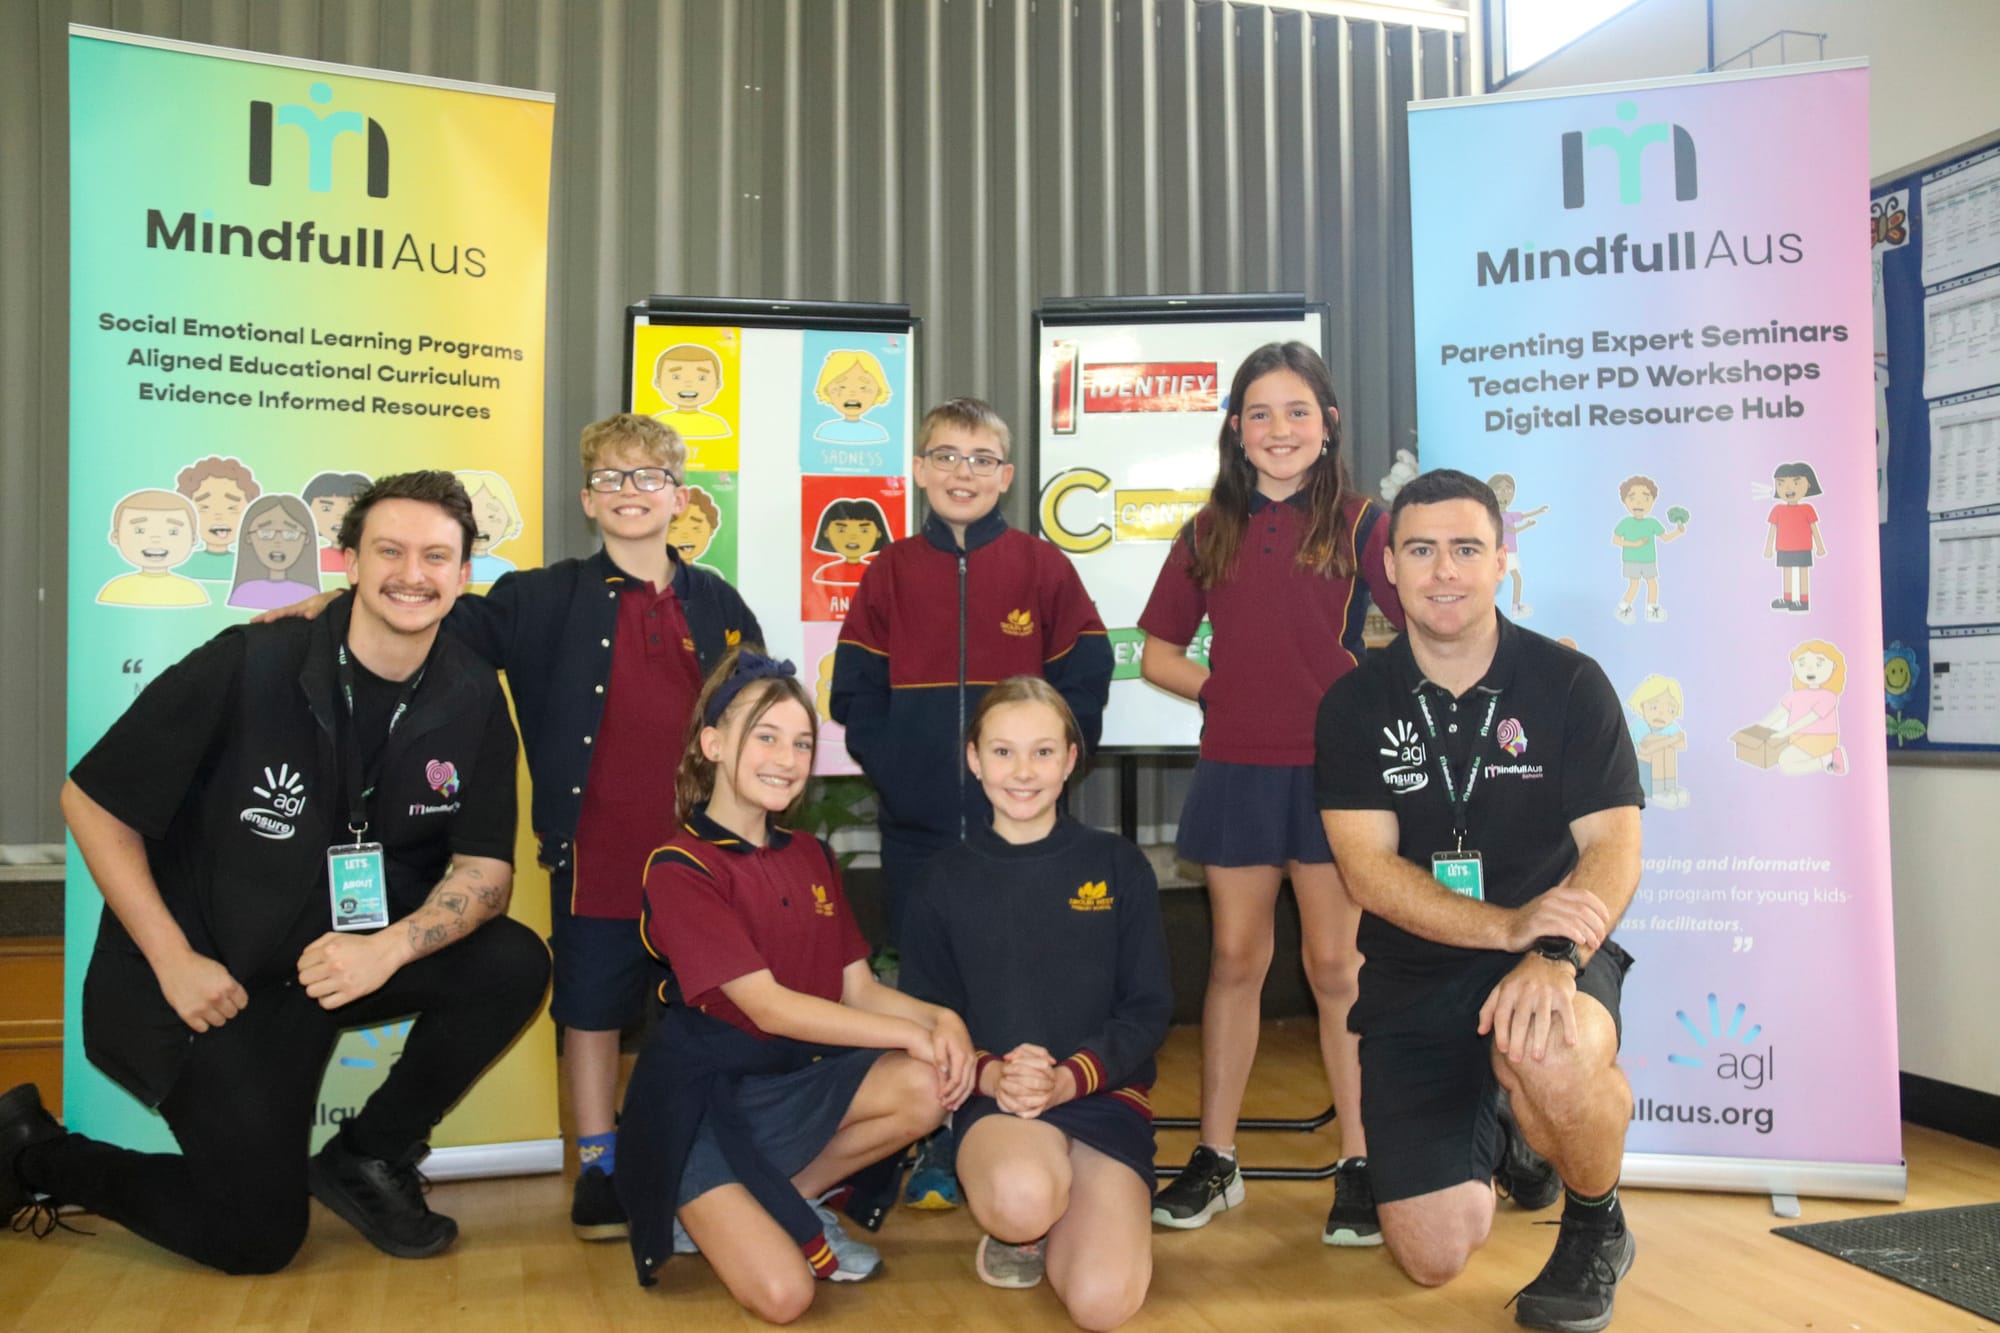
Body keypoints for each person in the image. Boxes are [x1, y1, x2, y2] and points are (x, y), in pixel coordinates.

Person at [0, 471, 551, 1274]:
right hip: (215, 983)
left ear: (463, 576)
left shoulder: (473, 697)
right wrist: (173, 961)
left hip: (342, 966)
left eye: (437, 556)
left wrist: (389, 948)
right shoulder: (252, 663)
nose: (412, 573)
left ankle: (368, 1156)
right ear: (348, 560)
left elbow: (485, 872)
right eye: (389, 550)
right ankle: (36, 1154)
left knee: (514, 960)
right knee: (255, 1239)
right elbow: (90, 800)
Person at [258, 413, 763, 1243]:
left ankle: (683, 1150)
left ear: (680, 497)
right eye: (610, 479)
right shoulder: (539, 595)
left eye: (647, 478)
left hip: (701, 859)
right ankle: (598, 1164)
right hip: (597, 850)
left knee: (701, 1007)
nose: (628, 493)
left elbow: (749, 717)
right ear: (586, 499)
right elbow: (426, 614)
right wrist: (332, 603)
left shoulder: (723, 604)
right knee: (594, 1012)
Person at [1314, 468, 1644, 1332]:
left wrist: (1552, 952)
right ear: (1390, 565)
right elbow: (1367, 872)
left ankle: (1594, 1223)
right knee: (1432, 1254)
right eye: (1421, 550)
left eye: (1466, 548)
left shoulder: (1571, 685)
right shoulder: (1354, 703)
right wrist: (1505, 923)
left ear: (1502, 559)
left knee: (1550, 1048)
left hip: (1553, 960)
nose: (1444, 570)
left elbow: (1613, 845)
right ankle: (1515, 1130)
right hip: (1416, 974)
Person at [1137, 340, 1403, 1244]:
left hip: (1339, 782)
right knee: (1233, 963)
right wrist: (1226, 690)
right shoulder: (1207, 528)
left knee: (1337, 969)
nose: (1278, 428)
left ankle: (1362, 1161)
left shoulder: (1369, 524)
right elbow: (1156, 652)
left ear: (1328, 424)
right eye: (1259, 412)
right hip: (1237, 770)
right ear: (1236, 431)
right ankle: (1216, 1160)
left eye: (1296, 411)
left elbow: (1421, 633)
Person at [615, 650, 972, 1321]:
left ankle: (782, 1199)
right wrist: (911, 1032)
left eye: (802, 741)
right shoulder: (680, 864)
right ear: (713, 744)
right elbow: (769, 1007)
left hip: (789, 1087)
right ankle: (704, 1204)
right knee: (786, 1296)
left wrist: (939, 1018)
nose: (787, 756)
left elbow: (857, 989)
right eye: (766, 735)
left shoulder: (810, 854)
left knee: (928, 1084)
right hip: (701, 1106)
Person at [831, 396, 1112, 1210]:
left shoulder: (1042, 565)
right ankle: (934, 1143)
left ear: (1007, 475)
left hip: (1027, 834)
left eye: (981, 458)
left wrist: (1049, 770)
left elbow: (1086, 679)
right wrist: (900, 769)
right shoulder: (887, 572)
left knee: (1024, 977)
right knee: (930, 988)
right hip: (920, 832)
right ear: (918, 471)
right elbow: (855, 693)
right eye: (946, 456)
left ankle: (1038, 1118)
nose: (963, 472)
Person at [900, 677, 1170, 1330]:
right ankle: (1024, 1224)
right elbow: (928, 1015)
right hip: (1001, 1099)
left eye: (1043, 752)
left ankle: (1082, 1203)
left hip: (1101, 1097)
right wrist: (998, 1075)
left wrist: (1068, 1077)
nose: (1023, 772)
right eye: (1003, 751)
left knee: (1103, 1305)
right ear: (974, 757)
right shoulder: (941, 880)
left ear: (1072, 759)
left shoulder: (1118, 865)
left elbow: (1147, 1008)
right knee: (1021, 1197)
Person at [225, 494, 321, 611]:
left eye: (290, 534)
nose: (278, 541)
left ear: (306, 539)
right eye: (266, 533)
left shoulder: (310, 595)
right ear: (248, 538)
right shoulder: (244, 592)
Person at [1763, 461, 1826, 612]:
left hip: (1803, 547)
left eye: (1796, 483)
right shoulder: (1777, 509)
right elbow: (1772, 530)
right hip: (1783, 547)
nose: (1789, 488)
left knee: (1803, 572)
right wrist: (1768, 548)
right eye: (1781, 483)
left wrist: (1820, 547)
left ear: (1808, 485)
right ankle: (1788, 599)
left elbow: (1814, 529)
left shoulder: (1807, 509)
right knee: (1787, 571)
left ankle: (1803, 600)